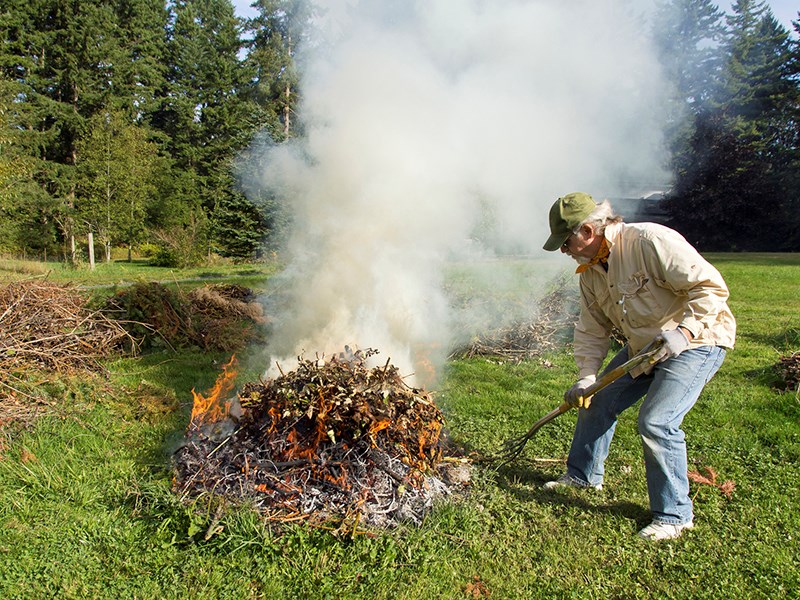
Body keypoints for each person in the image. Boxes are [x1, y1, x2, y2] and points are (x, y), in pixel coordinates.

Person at [541, 192, 736, 541]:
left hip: (698, 340)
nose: (563, 251)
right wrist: (587, 376)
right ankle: (583, 476)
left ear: (587, 231)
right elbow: (591, 328)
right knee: (597, 399)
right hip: (644, 348)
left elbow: (710, 288)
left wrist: (685, 331)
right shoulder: (590, 273)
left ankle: (674, 515)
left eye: (566, 242)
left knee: (657, 421)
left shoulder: (649, 241)